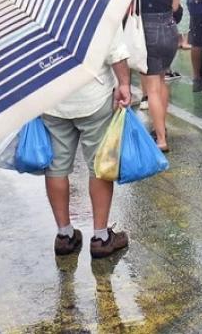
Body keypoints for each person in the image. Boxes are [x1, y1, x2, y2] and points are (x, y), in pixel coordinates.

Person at [42, 24, 132, 259]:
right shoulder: (95, 3)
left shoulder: (40, 9)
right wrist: (124, 84)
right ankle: (101, 237)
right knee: (99, 166)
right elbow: (116, 51)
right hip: (94, 96)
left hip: (53, 99)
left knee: (56, 168)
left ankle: (64, 234)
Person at [137, 0, 181, 151]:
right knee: (162, 80)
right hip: (170, 29)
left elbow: (132, 6)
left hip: (149, 31)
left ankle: (161, 138)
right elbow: (175, 6)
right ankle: (161, 125)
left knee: (152, 87)